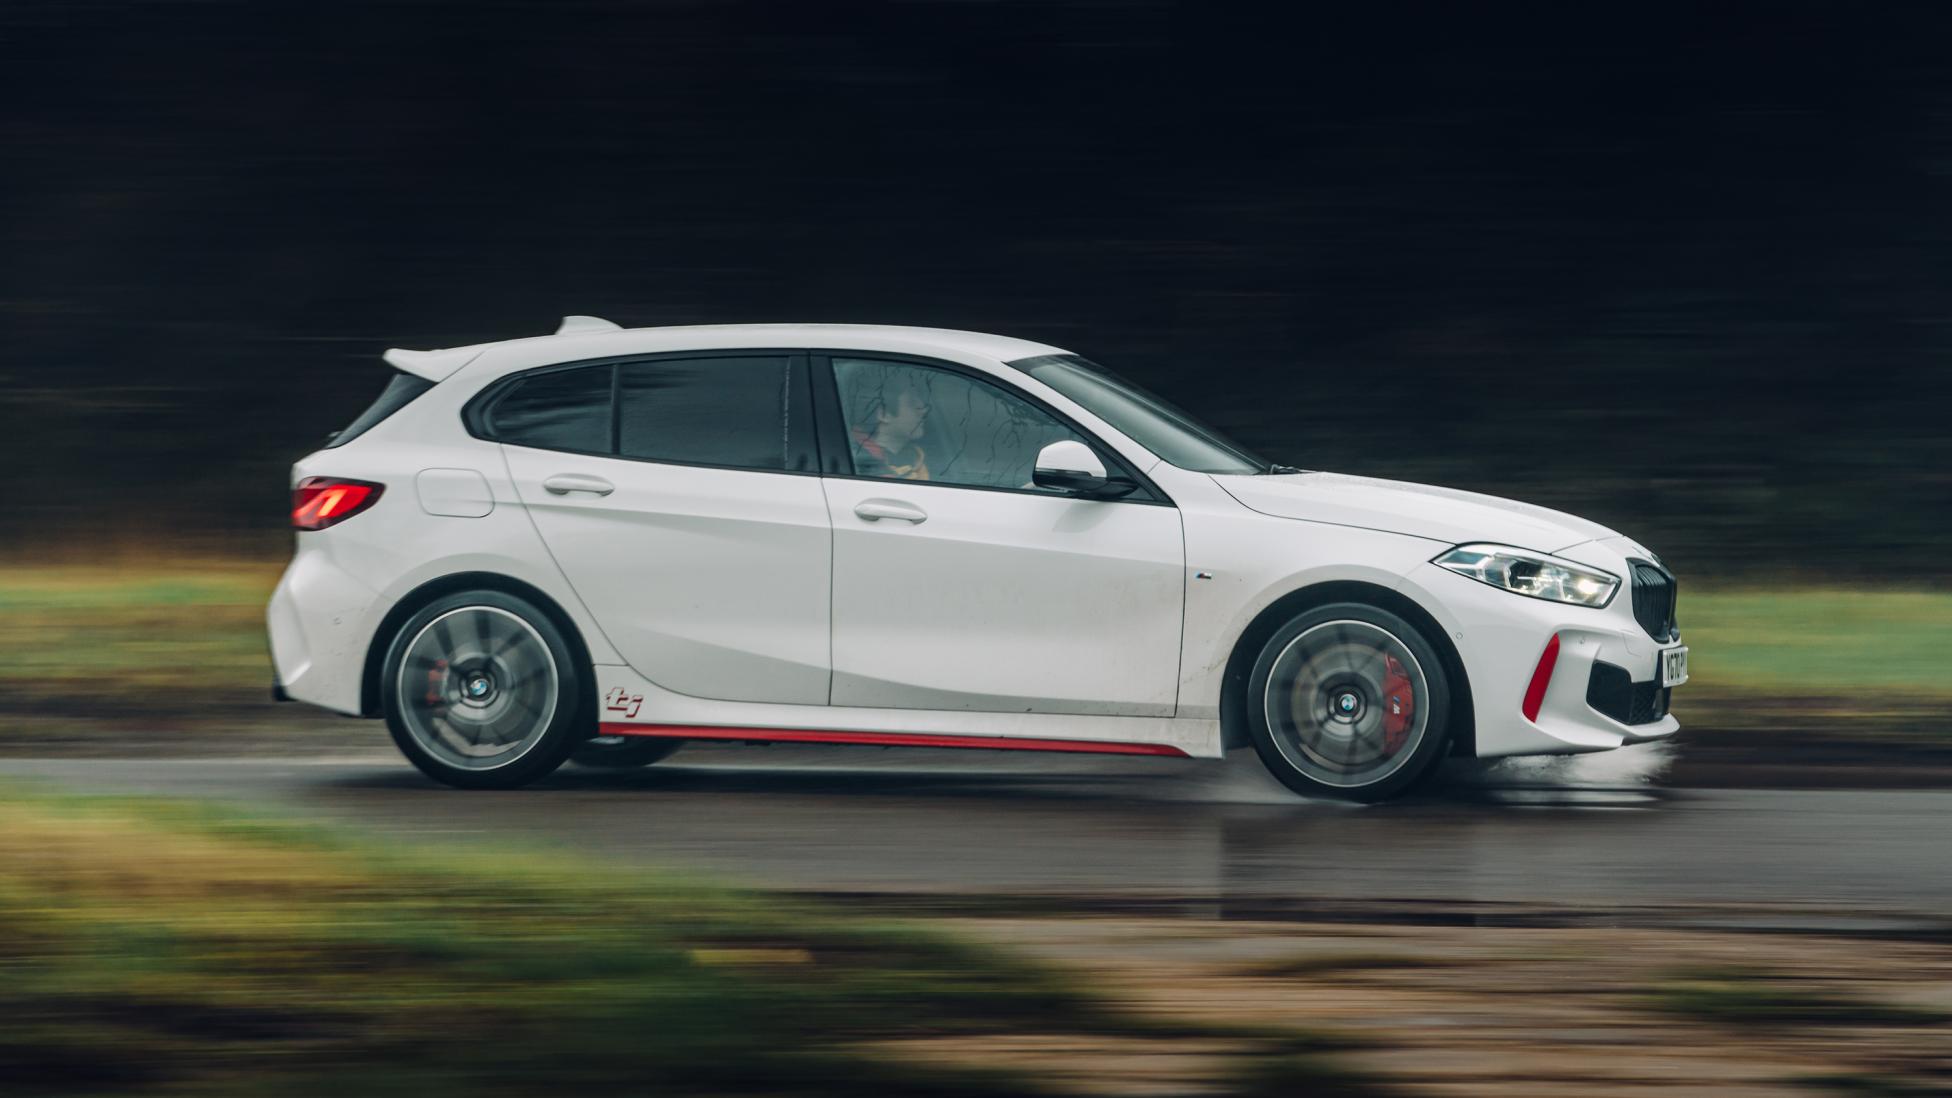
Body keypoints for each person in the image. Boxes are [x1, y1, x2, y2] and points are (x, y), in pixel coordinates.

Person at [850, 374, 932, 480]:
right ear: (884, 414)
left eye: (921, 402)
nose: (924, 410)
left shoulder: (919, 461)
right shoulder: (858, 463)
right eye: (911, 403)